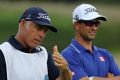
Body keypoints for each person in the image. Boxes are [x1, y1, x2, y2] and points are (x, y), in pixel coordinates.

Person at [0, 7, 72, 80]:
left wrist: (65, 70)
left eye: (45, 31)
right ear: (22, 24)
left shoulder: (44, 55)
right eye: (38, 28)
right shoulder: (3, 53)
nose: (42, 35)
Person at [61, 3, 120, 80]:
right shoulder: (68, 54)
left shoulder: (105, 53)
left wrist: (92, 78)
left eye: (96, 23)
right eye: (89, 23)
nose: (94, 28)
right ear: (77, 25)